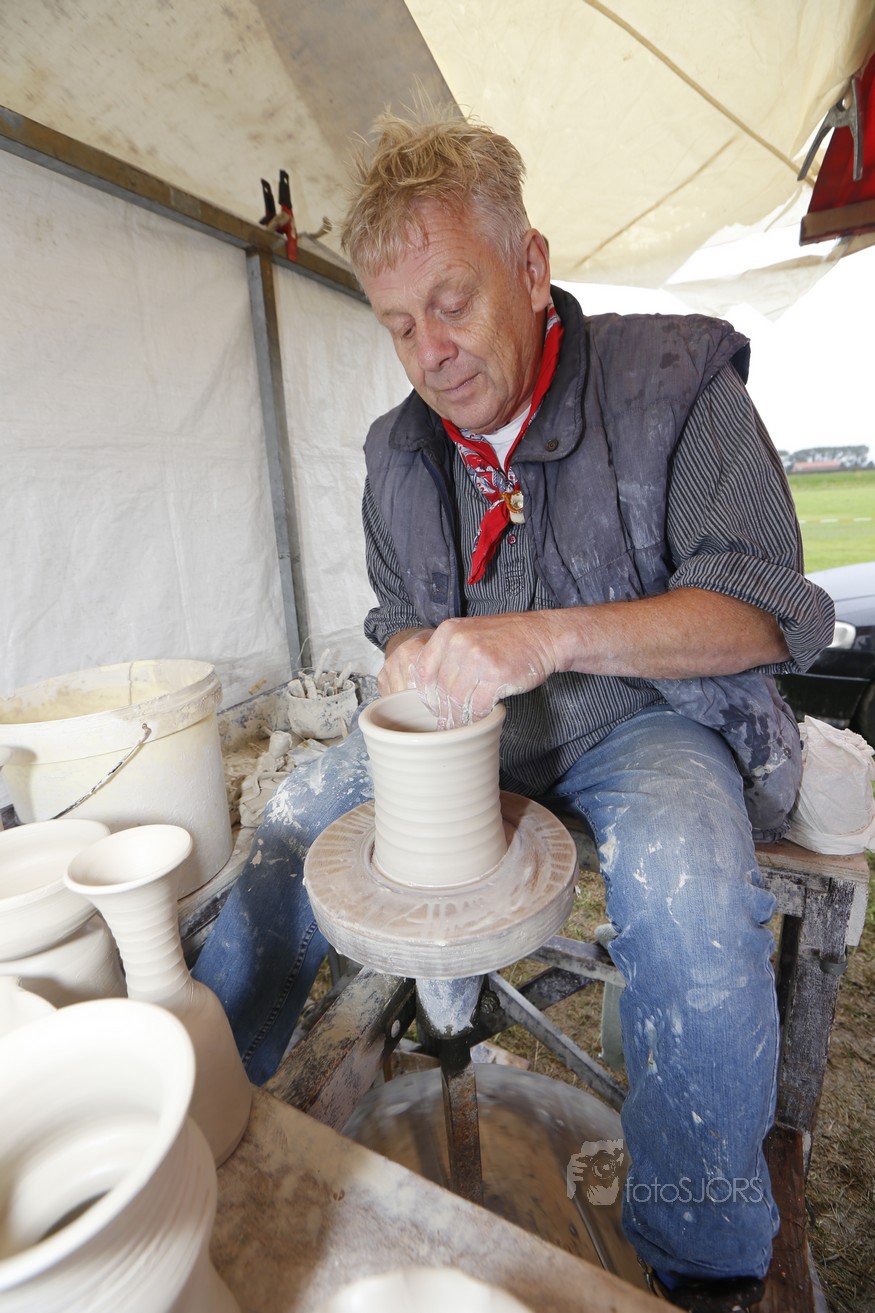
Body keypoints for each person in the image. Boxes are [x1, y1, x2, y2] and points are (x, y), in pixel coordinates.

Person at [193, 108, 834, 1310]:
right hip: (469, 734)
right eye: (397, 324)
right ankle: (198, 1116)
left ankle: (699, 1264)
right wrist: (403, 653)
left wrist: (550, 634)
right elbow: (400, 615)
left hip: (640, 718)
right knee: (284, 823)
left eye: (450, 301)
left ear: (530, 266)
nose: (429, 352)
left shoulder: (671, 380)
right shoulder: (397, 452)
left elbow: (765, 609)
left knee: (688, 894)